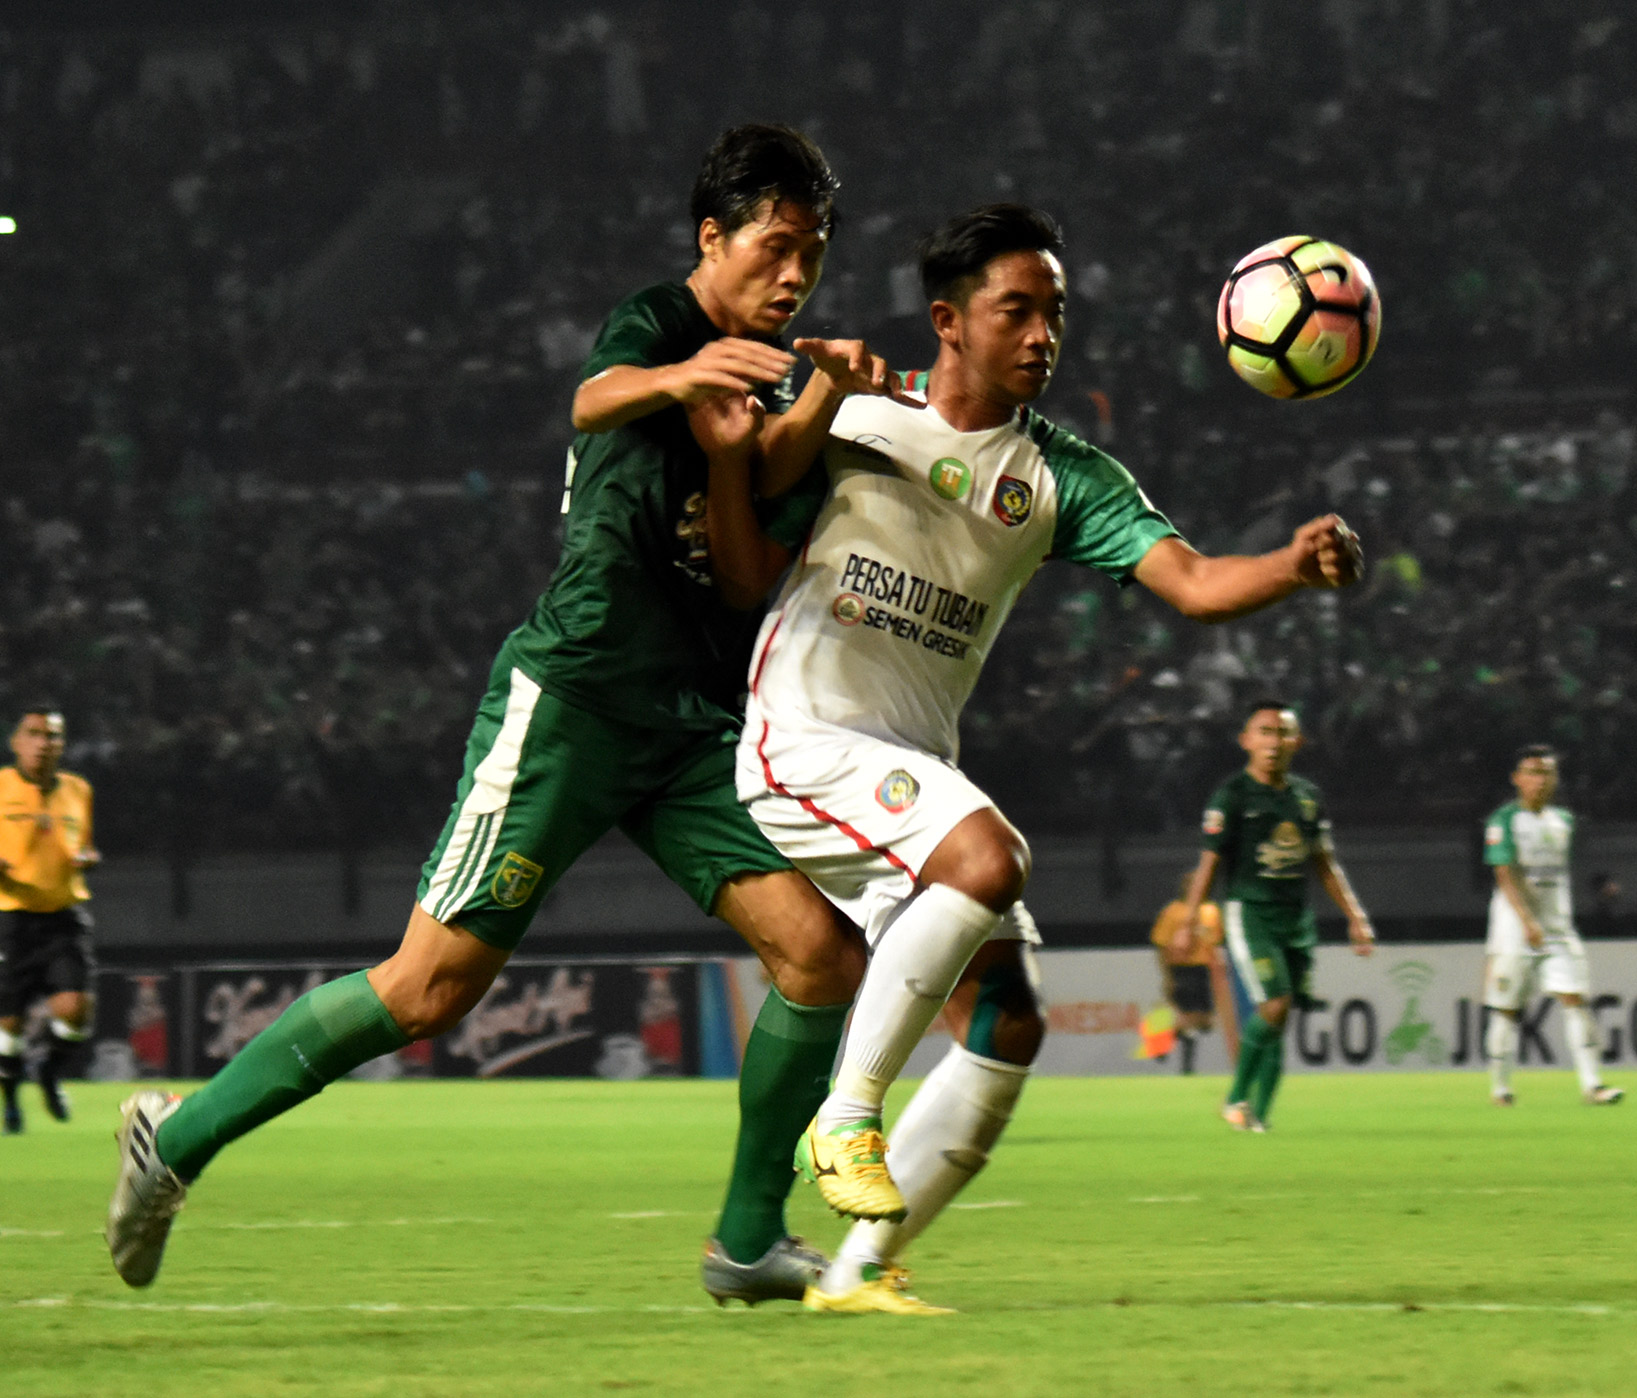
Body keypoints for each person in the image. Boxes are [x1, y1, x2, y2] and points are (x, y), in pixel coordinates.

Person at [106, 125, 908, 1305]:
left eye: (813, 255)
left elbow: (742, 572)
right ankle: (172, 1142)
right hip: (573, 701)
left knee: (820, 954)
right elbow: (592, 399)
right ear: (712, 239)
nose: (795, 278)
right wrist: (689, 379)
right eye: (776, 248)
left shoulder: (772, 372)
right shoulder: (662, 324)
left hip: (683, 728)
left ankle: (744, 1245)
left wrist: (815, 398)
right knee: (430, 990)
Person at [723, 204, 1365, 1313]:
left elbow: (1197, 584)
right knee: (987, 858)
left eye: (1054, 314)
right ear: (948, 321)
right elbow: (733, 495)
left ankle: (854, 1275)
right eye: (1014, 310)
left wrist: (1292, 568)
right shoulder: (857, 414)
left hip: (902, 777)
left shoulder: (1064, 476)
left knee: (1009, 1018)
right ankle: (846, 1115)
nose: (1041, 335)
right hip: (803, 743)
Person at [1177, 701, 1374, 1132]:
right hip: (1252, 914)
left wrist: (1355, 916)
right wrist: (1189, 920)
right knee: (1274, 1005)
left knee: (1280, 1016)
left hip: (1297, 918)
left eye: (1283, 733)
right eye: (1264, 731)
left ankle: (1258, 1118)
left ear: (1297, 742)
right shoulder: (1232, 796)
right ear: (1246, 741)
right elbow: (1208, 863)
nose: (1274, 742)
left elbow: (1325, 861)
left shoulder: (1307, 797)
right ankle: (1235, 1099)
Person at [1481, 744, 1624, 1106]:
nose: (1540, 779)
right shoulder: (1504, 821)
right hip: (1515, 930)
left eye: (1547, 772)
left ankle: (1593, 1086)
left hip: (1557, 929)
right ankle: (1501, 1089)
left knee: (1576, 1001)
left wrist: (1602, 885)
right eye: (1532, 771)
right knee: (1508, 1008)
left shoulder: (1564, 821)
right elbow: (1504, 874)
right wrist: (1527, 920)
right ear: (1517, 779)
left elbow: (1578, 865)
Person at [0, 707, 102, 1135]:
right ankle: (11, 1103)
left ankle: (49, 1073)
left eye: (53, 736)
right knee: (9, 1026)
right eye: (35, 733)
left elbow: (87, 846)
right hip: (11, 918)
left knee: (75, 1012)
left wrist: (88, 858)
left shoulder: (78, 790)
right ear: (16, 742)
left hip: (62, 917)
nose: (44, 743)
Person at [1148, 871, 1222, 1074]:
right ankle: (1184, 1065)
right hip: (1183, 969)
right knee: (1190, 1017)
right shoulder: (1173, 912)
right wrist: (1167, 976)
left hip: (1204, 971)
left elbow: (1213, 944)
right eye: (1190, 884)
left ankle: (1163, 1037)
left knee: (1206, 1023)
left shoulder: (1211, 911)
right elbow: (1161, 945)